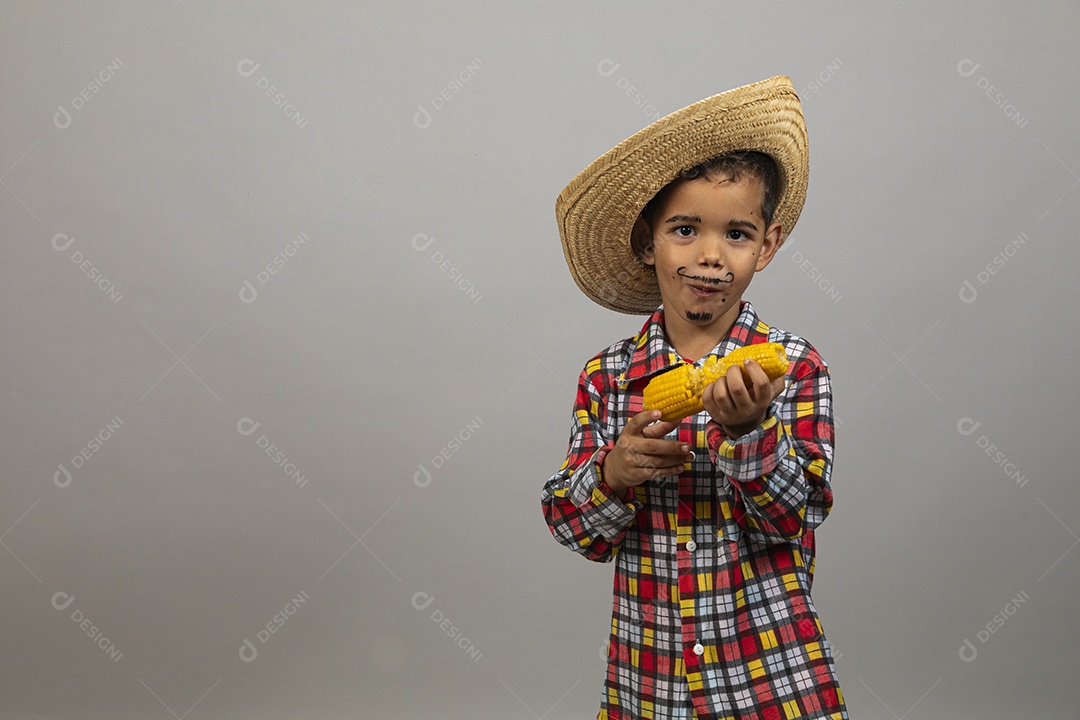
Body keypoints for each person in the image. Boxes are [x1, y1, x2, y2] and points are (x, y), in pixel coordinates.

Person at [542, 76, 847, 720]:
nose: (710, 255)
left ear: (767, 246)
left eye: (736, 234)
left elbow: (798, 517)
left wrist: (752, 434)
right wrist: (613, 474)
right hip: (649, 683)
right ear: (647, 242)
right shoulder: (607, 377)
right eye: (685, 229)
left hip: (770, 677)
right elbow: (576, 532)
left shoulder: (793, 367)